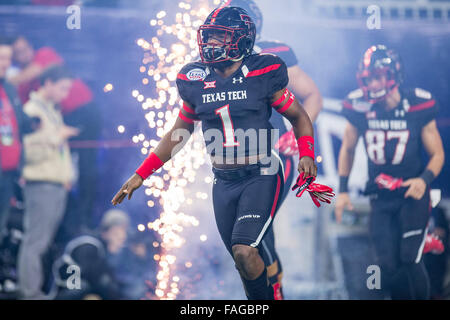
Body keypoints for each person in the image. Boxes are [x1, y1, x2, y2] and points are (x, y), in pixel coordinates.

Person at [112, 6, 318, 300]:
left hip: (262, 174)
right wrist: (141, 174)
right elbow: (178, 133)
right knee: (242, 261)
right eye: (209, 37)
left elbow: (298, 115)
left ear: (242, 40)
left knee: (245, 251)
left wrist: (306, 153)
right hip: (223, 181)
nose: (212, 43)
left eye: (221, 37)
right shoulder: (195, 78)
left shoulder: (264, 70)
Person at [221, 0, 323, 299]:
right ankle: (273, 288)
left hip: (273, 155)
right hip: (234, 160)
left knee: (251, 235)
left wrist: (298, 135)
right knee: (248, 235)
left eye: (229, 26)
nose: (221, 34)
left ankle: (273, 291)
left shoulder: (275, 54)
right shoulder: (211, 60)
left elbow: (312, 95)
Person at [335, 45, 445, 299]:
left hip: (412, 194)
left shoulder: (418, 104)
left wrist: (423, 180)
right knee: (386, 263)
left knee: (409, 257)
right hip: (380, 195)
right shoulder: (358, 106)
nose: (372, 84)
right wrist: (341, 191)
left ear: (393, 74)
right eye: (368, 78)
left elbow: (438, 154)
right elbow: (348, 149)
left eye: (378, 76)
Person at [17, 65, 79, 299]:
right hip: (40, 184)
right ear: (48, 83)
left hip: (54, 184)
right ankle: (29, 293)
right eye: (62, 88)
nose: (65, 94)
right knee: (35, 241)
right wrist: (57, 137)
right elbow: (27, 153)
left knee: (42, 242)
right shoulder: (32, 111)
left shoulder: (50, 111)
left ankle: (35, 290)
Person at [0, 36, 36, 246]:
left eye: (8, 58)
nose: (6, 63)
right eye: (1, 57)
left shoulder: (8, 88)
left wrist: (32, 123)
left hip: (8, 174)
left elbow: (19, 120)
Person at [50, 209, 127, 300]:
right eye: (117, 235)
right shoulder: (89, 245)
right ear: (108, 231)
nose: (121, 241)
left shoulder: (100, 250)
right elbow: (95, 281)